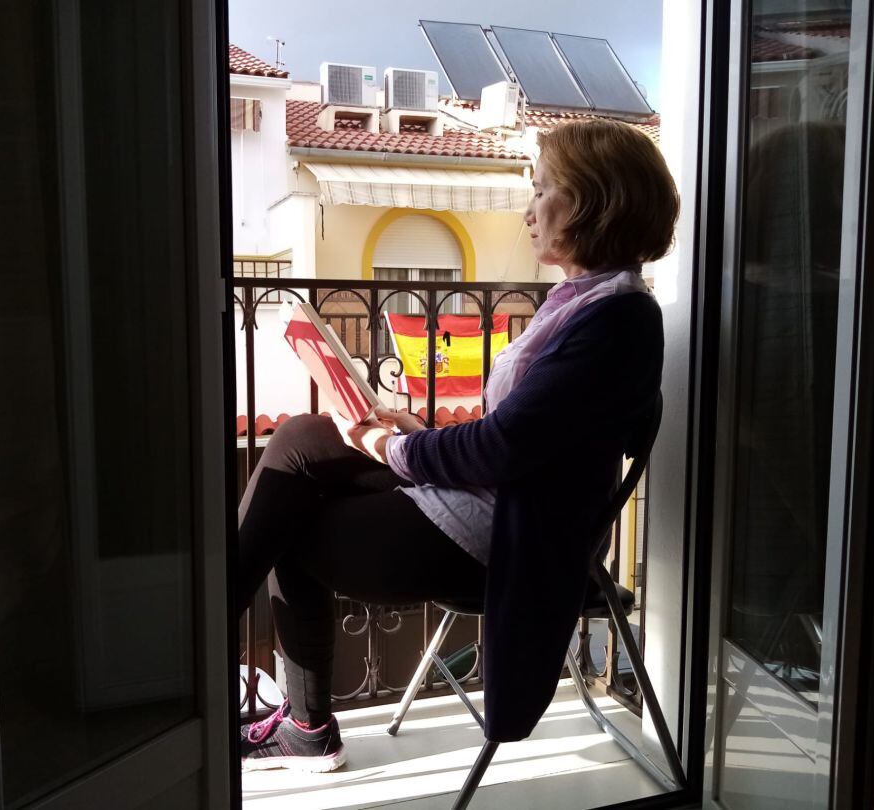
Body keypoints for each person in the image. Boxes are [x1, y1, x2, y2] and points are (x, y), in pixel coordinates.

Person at [238, 119, 676, 772]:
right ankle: (245, 667)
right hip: (483, 498)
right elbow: (526, 434)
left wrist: (392, 446)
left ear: (592, 201)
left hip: (504, 533)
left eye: (544, 190)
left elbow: (503, 450)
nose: (531, 210)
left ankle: (279, 707)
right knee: (303, 437)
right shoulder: (583, 302)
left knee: (287, 530)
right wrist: (420, 434)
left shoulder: (619, 321)